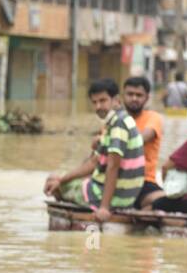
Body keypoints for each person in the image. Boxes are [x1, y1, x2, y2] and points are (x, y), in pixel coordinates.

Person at [44, 78, 145, 222]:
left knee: (52, 182)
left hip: (115, 198)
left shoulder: (118, 124)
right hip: (121, 195)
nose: (98, 106)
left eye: (103, 101)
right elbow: (94, 162)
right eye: (95, 102)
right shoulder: (120, 120)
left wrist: (104, 207)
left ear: (116, 100)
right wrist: (61, 179)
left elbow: (113, 166)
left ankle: (81, 220)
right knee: (57, 180)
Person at [122, 75, 164, 208]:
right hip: (117, 180)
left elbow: (142, 138)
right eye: (130, 94)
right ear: (123, 96)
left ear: (146, 98)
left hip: (145, 181)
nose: (134, 98)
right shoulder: (116, 119)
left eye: (139, 95)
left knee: (164, 202)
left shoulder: (153, 117)